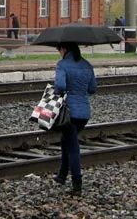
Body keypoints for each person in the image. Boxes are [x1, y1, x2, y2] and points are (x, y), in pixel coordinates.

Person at [53, 42, 97, 196]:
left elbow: (59, 85)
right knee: (66, 141)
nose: (59, 52)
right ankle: (62, 175)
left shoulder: (62, 65)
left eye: (59, 49)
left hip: (68, 113)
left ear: (64, 49)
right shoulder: (87, 65)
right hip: (84, 113)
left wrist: (61, 90)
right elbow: (92, 89)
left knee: (72, 147)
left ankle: (77, 184)